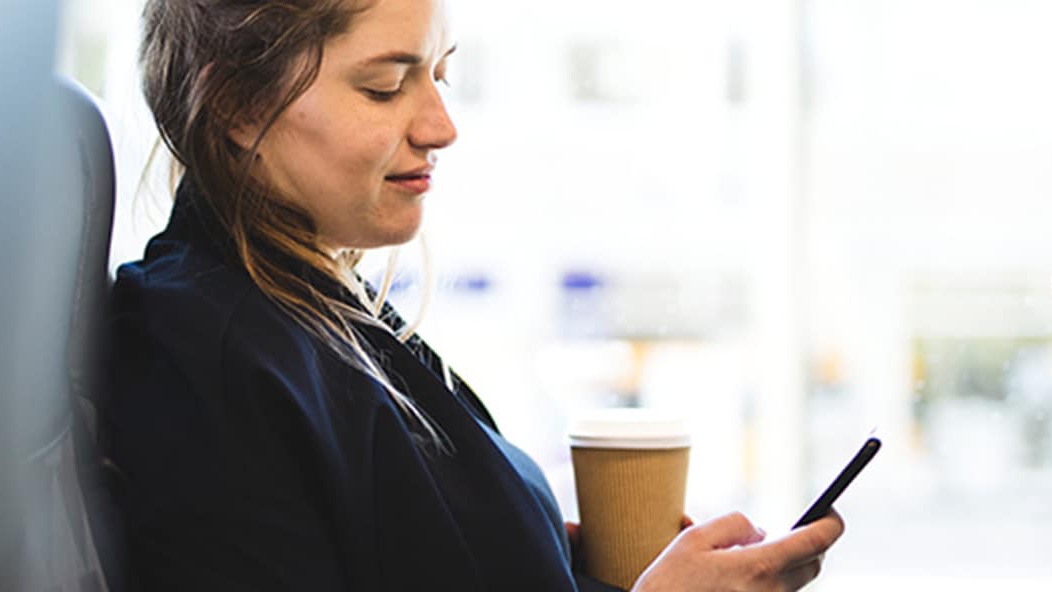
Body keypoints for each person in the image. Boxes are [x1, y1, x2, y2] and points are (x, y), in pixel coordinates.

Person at [97, 0, 845, 590]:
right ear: (235, 103)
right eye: (385, 86)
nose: (440, 126)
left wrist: (548, 554)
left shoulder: (317, 310)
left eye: (440, 76)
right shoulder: (205, 357)